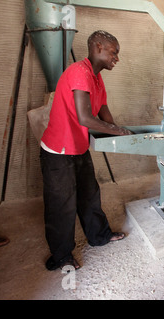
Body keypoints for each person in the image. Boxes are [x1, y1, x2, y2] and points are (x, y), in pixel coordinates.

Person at [40, 30, 132, 271]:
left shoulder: (97, 78)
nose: (116, 58)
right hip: (58, 150)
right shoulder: (80, 72)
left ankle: (99, 236)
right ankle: (60, 255)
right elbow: (85, 118)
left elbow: (104, 113)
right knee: (62, 204)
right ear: (98, 47)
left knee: (90, 195)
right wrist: (118, 132)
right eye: (114, 52)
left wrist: (122, 132)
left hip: (78, 147)